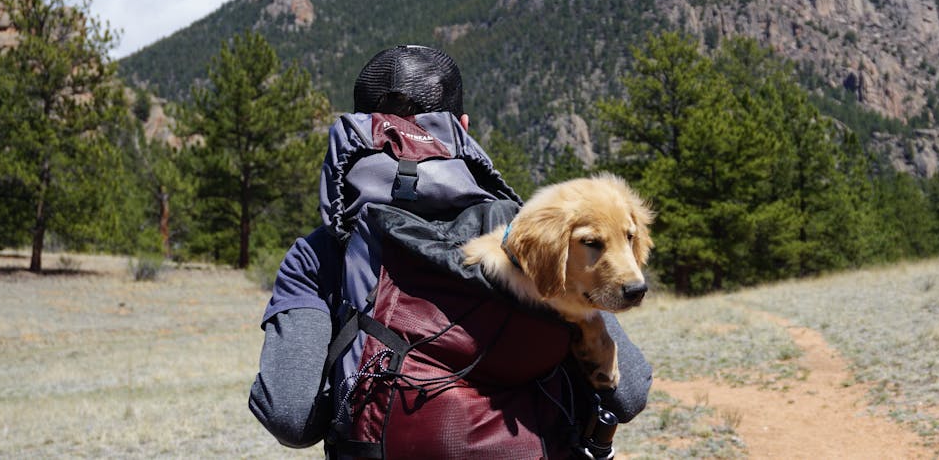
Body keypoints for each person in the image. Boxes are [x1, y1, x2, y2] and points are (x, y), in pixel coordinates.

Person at [249, 45, 652, 458]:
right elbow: (630, 394)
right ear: (462, 127)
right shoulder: (528, 235)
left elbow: (292, 418)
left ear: (363, 125)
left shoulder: (319, 253)